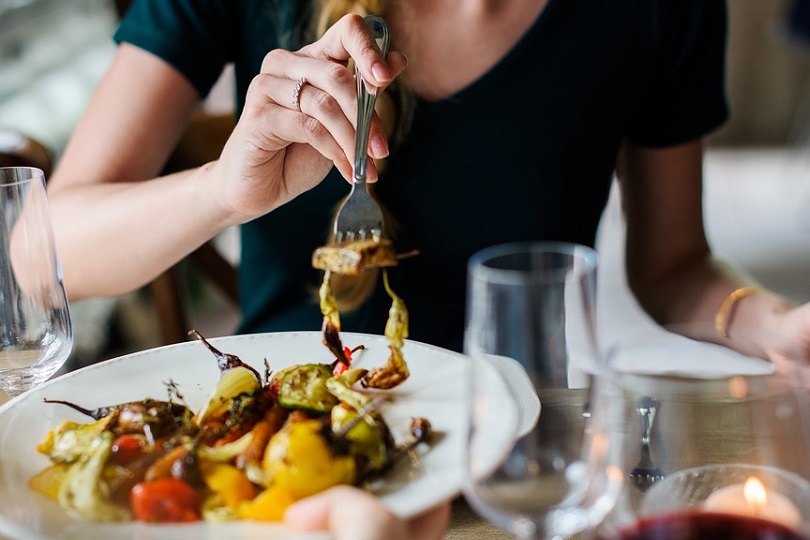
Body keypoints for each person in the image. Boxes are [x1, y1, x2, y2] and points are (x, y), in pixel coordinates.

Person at [44, 0, 810, 535]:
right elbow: (43, 260)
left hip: (516, 476)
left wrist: (777, 322)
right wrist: (222, 190)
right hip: (266, 482)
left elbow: (673, 266)